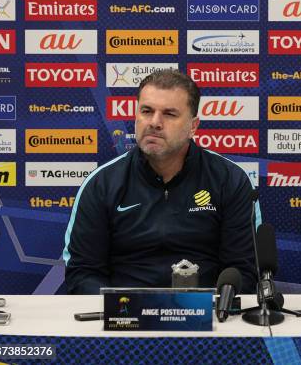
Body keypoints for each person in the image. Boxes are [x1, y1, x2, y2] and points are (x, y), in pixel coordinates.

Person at [64, 69, 258, 294]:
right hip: (124, 320)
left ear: (193, 126)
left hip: (209, 320)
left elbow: (244, 271)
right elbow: (83, 273)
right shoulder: (102, 184)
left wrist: (212, 312)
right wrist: (122, 310)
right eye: (147, 111)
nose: (155, 122)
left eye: (169, 114)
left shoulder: (230, 180)